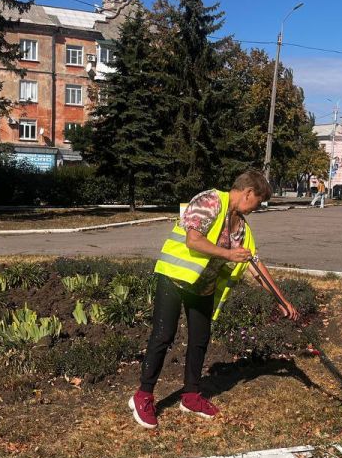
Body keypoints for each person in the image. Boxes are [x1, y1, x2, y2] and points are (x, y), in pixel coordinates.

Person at [129, 171, 300, 429]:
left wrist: (281, 299)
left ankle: (191, 396)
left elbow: (254, 263)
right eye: (258, 201)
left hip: (203, 287)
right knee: (163, 336)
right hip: (174, 278)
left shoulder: (241, 226)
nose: (257, 208)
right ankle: (143, 395)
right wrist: (228, 255)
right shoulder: (210, 201)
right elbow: (193, 239)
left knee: (200, 340)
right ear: (248, 193)